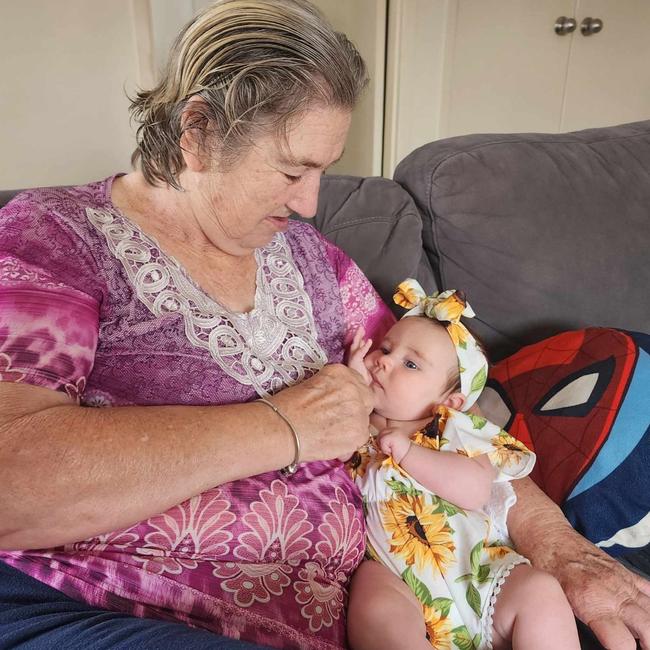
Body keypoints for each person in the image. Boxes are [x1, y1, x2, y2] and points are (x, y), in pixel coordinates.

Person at [0, 1, 648, 649]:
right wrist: (281, 426)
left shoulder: (317, 263)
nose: (310, 202)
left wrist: (564, 554)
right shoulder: (54, 238)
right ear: (195, 130)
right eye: (290, 171)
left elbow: (446, 422)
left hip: (362, 609)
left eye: (323, 169)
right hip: (109, 603)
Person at [344, 281, 580, 649]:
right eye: (386, 348)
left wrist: (409, 454)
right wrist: (351, 388)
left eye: (410, 364)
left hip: (480, 574)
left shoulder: (451, 429)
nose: (384, 360)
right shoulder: (357, 427)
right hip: (394, 577)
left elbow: (475, 490)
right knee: (373, 608)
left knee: (540, 592)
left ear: (450, 402)